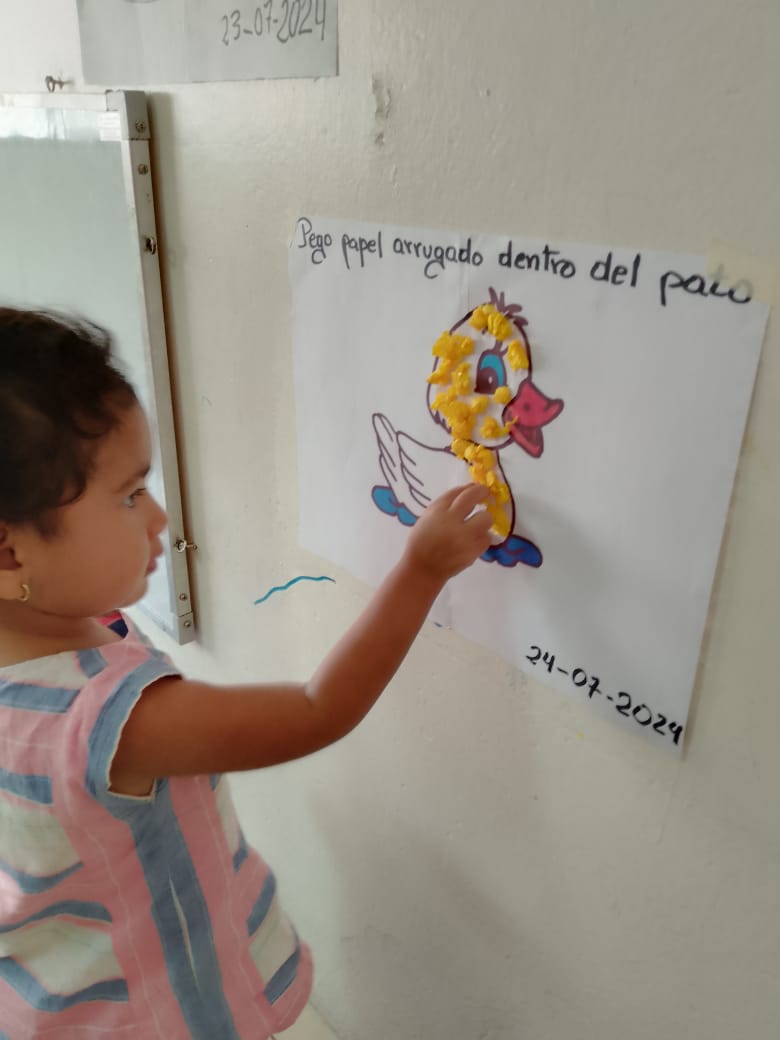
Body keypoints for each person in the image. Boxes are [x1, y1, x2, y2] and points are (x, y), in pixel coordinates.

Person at [0, 308, 492, 1039]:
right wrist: (421, 570)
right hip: (162, 1016)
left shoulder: (50, 646)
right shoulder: (114, 718)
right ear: (9, 554)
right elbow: (318, 710)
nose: (159, 517)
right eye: (130, 495)